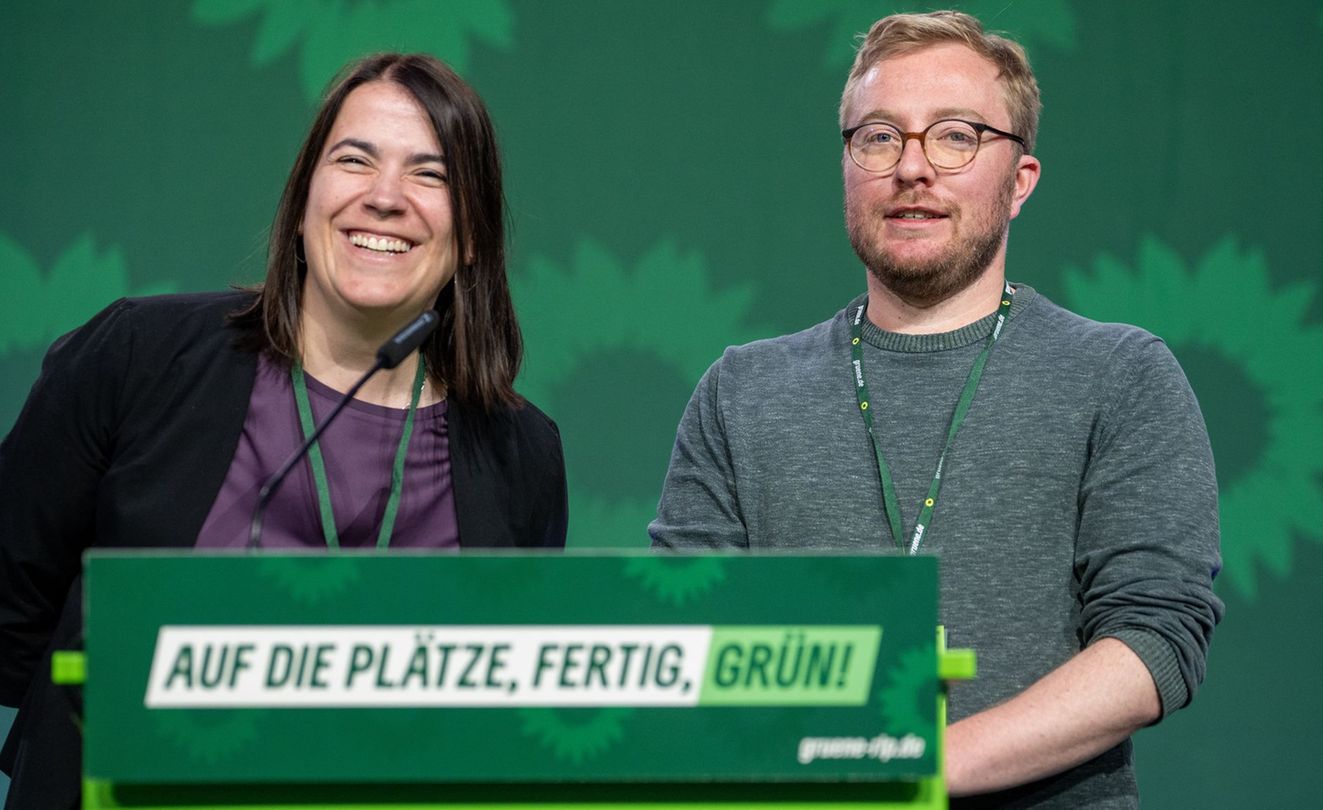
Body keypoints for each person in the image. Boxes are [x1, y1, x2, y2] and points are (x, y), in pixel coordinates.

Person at [650, 11, 1222, 807]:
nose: (911, 168)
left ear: (1019, 180)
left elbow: (1156, 641)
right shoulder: (741, 391)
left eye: (955, 136)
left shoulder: (1119, 375)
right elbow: (683, 639)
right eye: (879, 137)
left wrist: (917, 761)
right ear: (847, 165)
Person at [0, 53, 566, 807]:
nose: (385, 198)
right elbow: (12, 613)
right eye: (354, 160)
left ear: (470, 238)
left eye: (430, 175)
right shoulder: (140, 358)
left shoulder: (520, 454)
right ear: (304, 200)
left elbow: (501, 721)